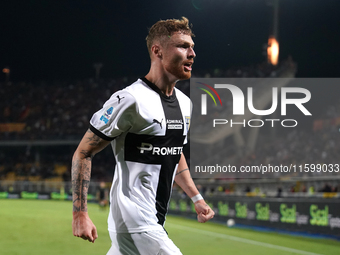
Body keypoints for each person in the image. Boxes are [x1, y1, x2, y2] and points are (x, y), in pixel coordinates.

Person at [71, 17, 215, 255]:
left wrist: (196, 198)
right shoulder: (130, 100)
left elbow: (173, 152)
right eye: (183, 46)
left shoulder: (185, 105)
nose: (192, 53)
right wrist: (79, 214)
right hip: (134, 223)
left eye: (192, 47)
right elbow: (83, 152)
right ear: (157, 51)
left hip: (154, 221)